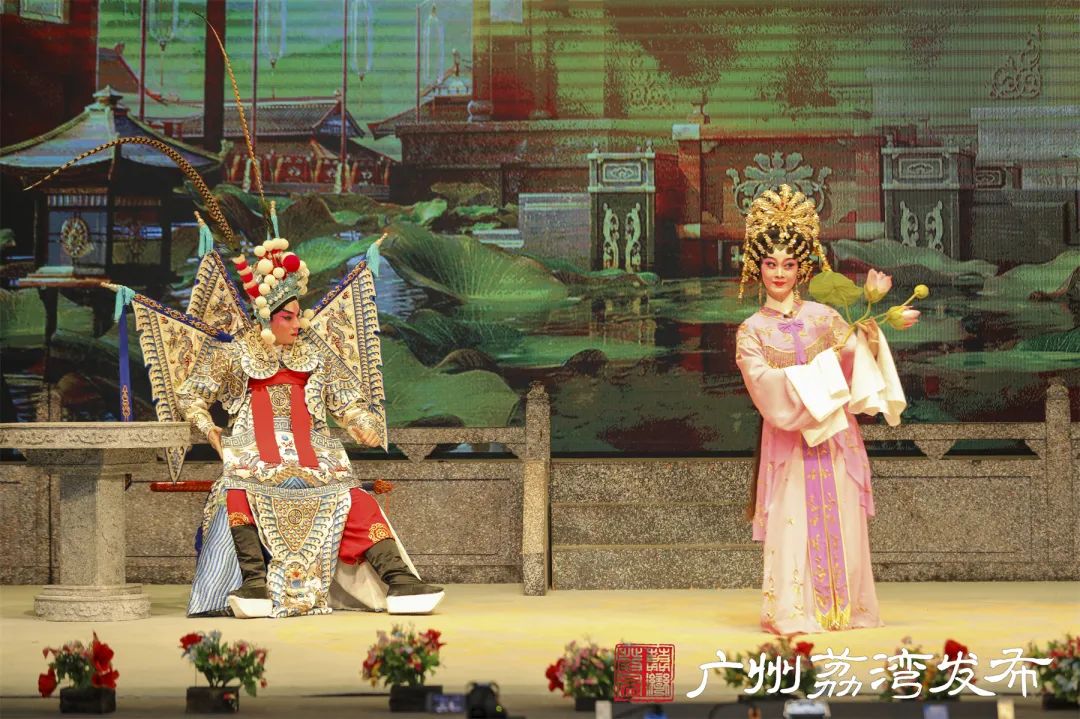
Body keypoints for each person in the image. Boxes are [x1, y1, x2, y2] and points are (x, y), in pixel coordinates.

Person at [175, 234, 445, 619]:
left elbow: (348, 404)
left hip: (315, 459)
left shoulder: (317, 357)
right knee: (236, 494)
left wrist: (362, 424)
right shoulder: (234, 355)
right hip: (254, 459)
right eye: (288, 317)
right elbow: (191, 394)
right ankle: (254, 584)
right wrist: (208, 427)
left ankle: (399, 580)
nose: (298, 323)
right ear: (266, 318)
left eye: (298, 315)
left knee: (356, 499)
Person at [734, 184, 905, 633]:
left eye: (788, 264)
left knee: (843, 518)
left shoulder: (825, 317)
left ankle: (846, 610)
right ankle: (792, 611)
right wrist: (821, 373)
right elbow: (765, 387)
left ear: (802, 268)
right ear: (756, 266)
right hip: (788, 442)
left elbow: (853, 367)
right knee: (792, 523)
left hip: (835, 438)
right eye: (770, 264)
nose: (779, 273)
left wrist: (867, 338)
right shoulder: (751, 331)